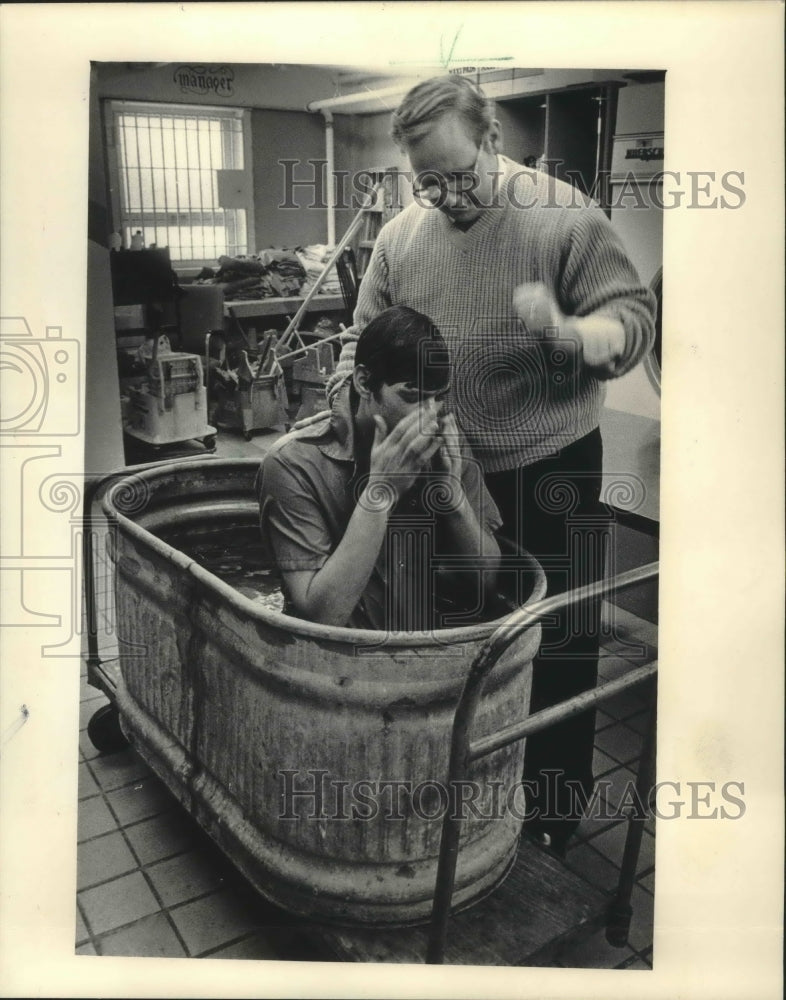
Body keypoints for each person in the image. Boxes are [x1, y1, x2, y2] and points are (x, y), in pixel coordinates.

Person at [326, 75, 657, 853]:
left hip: (550, 467)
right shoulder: (404, 236)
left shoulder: (563, 218)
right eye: (425, 180)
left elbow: (636, 322)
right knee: (463, 638)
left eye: (456, 174)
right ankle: (471, 799)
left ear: (494, 143)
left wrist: (575, 335)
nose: (442, 195)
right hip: (447, 470)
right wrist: (348, 397)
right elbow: (360, 334)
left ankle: (550, 815)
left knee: (560, 641)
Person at [257, 305, 501, 633]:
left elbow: (486, 585)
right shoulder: (293, 464)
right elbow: (320, 618)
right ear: (363, 382)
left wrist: (454, 498)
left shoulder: (446, 448)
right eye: (412, 397)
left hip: (429, 653)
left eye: (437, 398)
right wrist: (379, 494)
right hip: (334, 669)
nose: (428, 416)